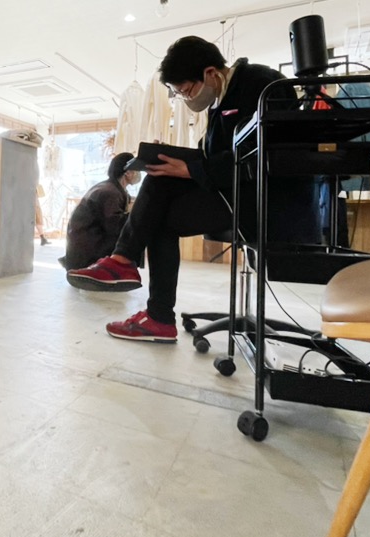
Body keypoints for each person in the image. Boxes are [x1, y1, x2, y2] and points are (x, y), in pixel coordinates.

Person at [67, 37, 319, 343]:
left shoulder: (262, 84)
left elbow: (266, 154)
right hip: (231, 192)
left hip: (263, 200)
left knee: (158, 194)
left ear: (210, 73)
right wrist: (174, 158)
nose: (185, 98)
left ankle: (125, 266)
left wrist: (190, 169)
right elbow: (212, 156)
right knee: (158, 193)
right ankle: (155, 313)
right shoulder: (218, 102)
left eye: (186, 91)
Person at [59, 152, 139, 270]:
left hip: (82, 250)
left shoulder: (109, 187)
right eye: (136, 170)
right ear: (127, 172)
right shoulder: (110, 193)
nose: (138, 174)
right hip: (88, 254)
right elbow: (115, 226)